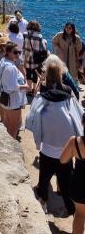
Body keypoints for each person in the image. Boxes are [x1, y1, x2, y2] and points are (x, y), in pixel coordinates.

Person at [26, 55, 83, 217]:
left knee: (44, 181)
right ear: (61, 73)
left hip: (47, 150)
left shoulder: (43, 91)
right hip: (66, 149)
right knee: (66, 184)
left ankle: (43, 204)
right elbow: (77, 114)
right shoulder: (67, 91)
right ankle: (72, 211)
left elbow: (33, 115)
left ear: (46, 73)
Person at [61, 117, 85, 234]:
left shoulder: (74, 141)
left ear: (82, 122)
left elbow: (63, 160)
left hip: (80, 184)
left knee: (80, 214)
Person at [0, 41, 29, 139]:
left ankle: (6, 143)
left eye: (19, 52)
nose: (18, 54)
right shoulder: (11, 67)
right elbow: (12, 86)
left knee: (8, 123)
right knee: (15, 125)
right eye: (15, 52)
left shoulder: (3, 61)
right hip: (13, 101)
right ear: (8, 52)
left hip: (5, 98)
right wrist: (25, 86)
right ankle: (11, 146)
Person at [23, 20, 49, 92]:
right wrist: (44, 42)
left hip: (27, 57)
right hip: (36, 58)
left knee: (28, 73)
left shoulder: (25, 34)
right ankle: (33, 89)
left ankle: (29, 89)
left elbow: (23, 45)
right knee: (35, 74)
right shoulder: (39, 36)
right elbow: (43, 48)